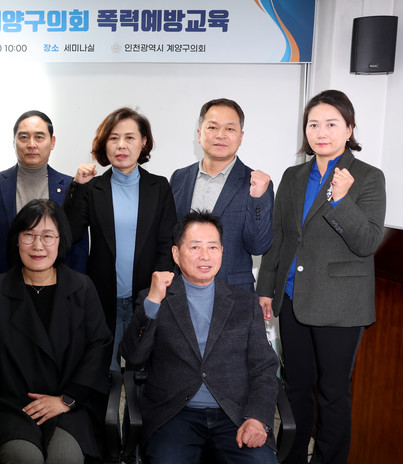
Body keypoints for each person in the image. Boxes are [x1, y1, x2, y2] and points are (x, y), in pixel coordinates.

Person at [257, 90, 386, 464]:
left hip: (340, 306)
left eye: (331, 123)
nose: (321, 132)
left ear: (349, 129)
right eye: (313, 124)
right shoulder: (293, 176)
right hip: (292, 298)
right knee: (295, 386)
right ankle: (292, 456)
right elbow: (281, 236)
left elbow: (368, 242)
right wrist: (267, 288)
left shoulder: (367, 177)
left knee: (332, 392)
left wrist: (342, 200)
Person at [120, 211, 279, 463]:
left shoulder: (245, 303)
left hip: (235, 415)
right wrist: (152, 302)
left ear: (222, 252)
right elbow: (134, 356)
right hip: (174, 415)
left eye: (212, 247)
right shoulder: (156, 298)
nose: (205, 256)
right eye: (195, 247)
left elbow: (264, 367)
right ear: (176, 254)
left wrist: (257, 418)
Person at [0, 199, 112, 464]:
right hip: (11, 405)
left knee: (65, 458)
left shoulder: (82, 287)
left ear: (61, 241)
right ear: (16, 240)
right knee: (25, 458)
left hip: (69, 405)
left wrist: (66, 399)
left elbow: (99, 347)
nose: (37, 246)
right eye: (29, 235)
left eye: (47, 236)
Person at [62, 107, 177, 371]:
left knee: (146, 372)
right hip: (102, 297)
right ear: (105, 144)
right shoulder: (93, 188)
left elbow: (166, 244)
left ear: (143, 142)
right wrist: (77, 187)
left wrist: (156, 293)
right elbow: (69, 234)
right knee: (104, 372)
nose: (121, 145)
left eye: (129, 137)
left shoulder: (159, 187)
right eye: (113, 138)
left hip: (147, 298)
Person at [0, 110, 88, 276]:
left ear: (52, 142)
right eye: (23, 137)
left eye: (39, 137)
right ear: (14, 141)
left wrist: (75, 285)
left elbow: (78, 246)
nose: (31, 144)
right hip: (5, 280)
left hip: (57, 282)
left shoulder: (70, 186)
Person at [170, 98, 273, 291]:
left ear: (241, 137)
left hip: (234, 292)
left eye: (230, 129)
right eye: (212, 127)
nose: (220, 135)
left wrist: (257, 199)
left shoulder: (256, 183)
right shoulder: (179, 178)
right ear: (199, 134)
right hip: (182, 291)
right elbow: (172, 238)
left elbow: (258, 246)